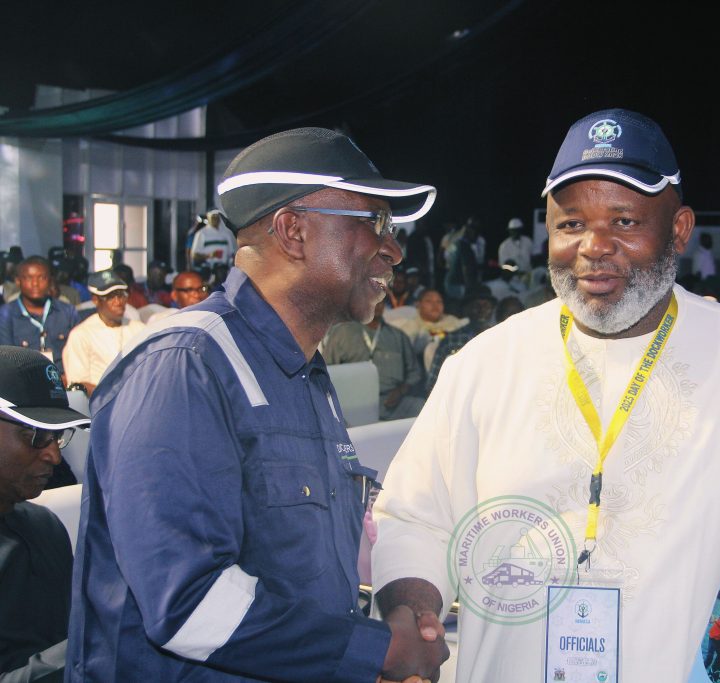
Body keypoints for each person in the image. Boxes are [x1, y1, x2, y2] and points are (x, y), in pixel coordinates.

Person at [371, 108, 720, 682]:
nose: (595, 246)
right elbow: (415, 519)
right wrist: (415, 619)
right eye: (571, 224)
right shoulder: (483, 366)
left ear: (680, 229)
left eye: (624, 221)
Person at [65, 127, 448, 682]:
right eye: (375, 223)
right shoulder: (185, 364)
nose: (392, 248)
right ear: (293, 231)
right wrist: (375, 653)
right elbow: (189, 603)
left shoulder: (304, 375)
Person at [0, 346, 90, 683]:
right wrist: (94, 640)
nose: (53, 455)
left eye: (57, 437)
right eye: (35, 436)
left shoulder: (44, 525)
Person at [322, 300, 426, 421]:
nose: (377, 305)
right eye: (373, 301)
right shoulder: (342, 332)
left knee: (422, 407)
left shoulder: (398, 336)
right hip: (352, 402)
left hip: (390, 401)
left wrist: (400, 391)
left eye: (381, 302)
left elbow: (414, 373)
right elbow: (326, 371)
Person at [62, 271, 147, 397]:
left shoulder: (140, 329)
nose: (118, 302)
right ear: (96, 300)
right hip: (100, 405)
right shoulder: (81, 334)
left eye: (121, 295)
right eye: (111, 297)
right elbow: (78, 384)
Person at [0, 256, 79, 381]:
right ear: (18, 281)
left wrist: (68, 379)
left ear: (50, 280)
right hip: (25, 385)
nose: (35, 283)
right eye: (28, 278)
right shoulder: (5, 314)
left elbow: (78, 353)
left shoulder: (67, 311)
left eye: (42, 278)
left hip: (64, 383)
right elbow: (7, 361)